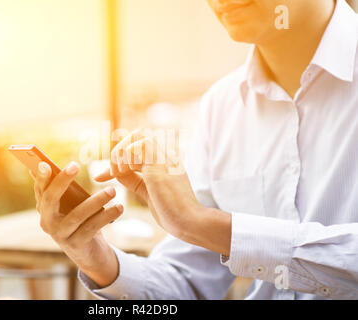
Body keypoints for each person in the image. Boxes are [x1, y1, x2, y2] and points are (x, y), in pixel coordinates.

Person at [32, 0, 358, 299]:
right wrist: (98, 259)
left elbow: (199, 227)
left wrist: (202, 224)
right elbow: (186, 284)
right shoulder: (222, 105)